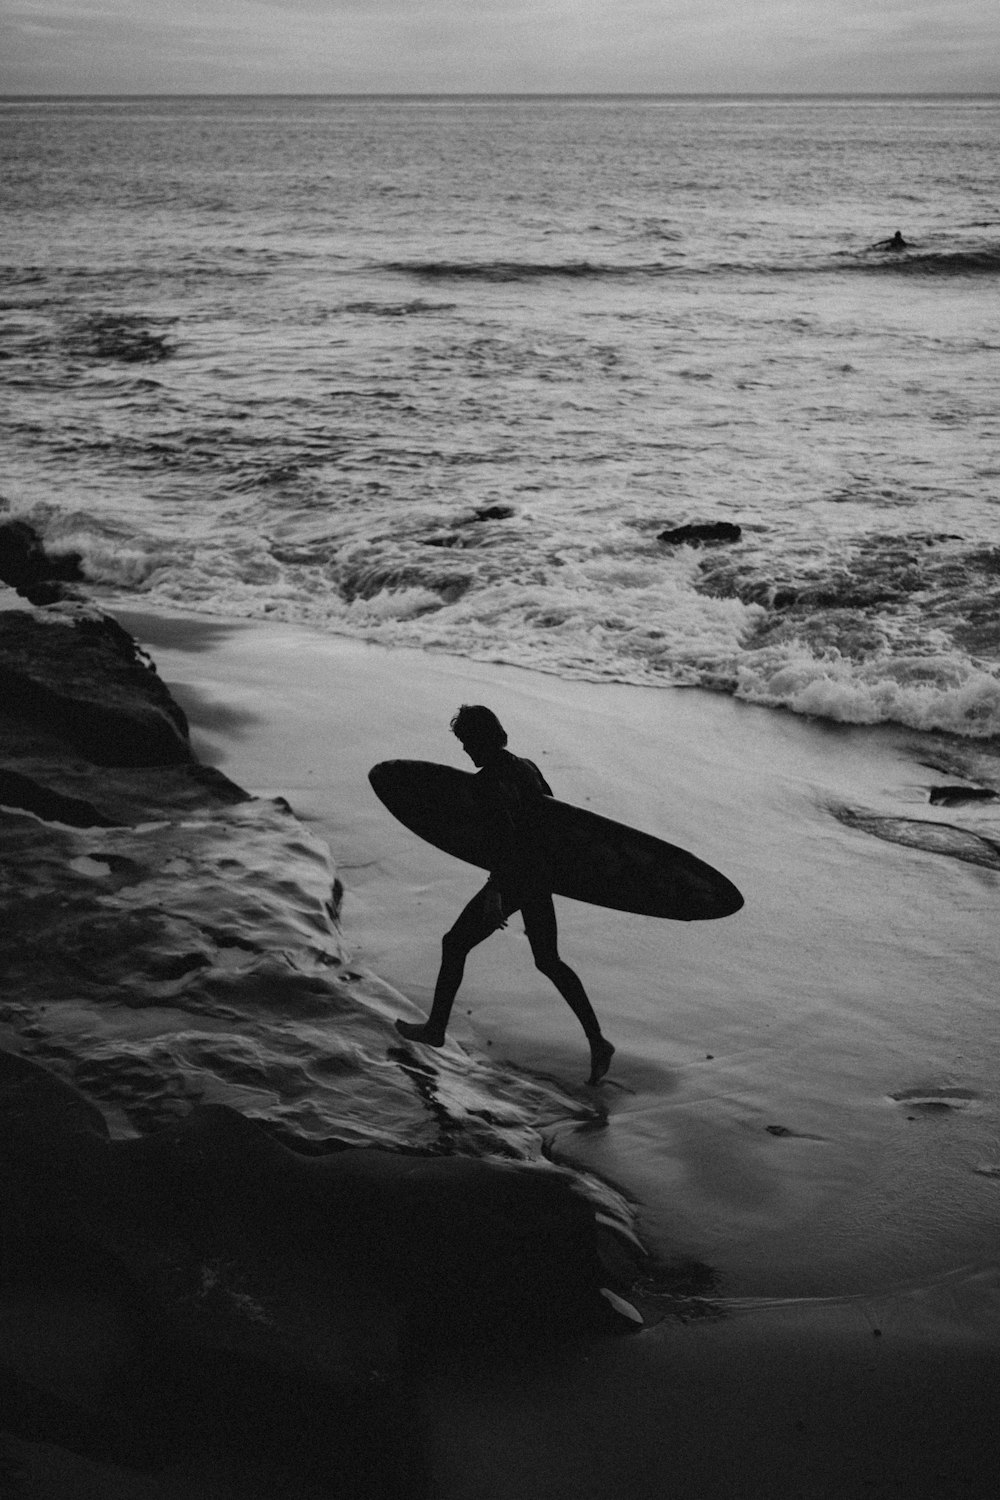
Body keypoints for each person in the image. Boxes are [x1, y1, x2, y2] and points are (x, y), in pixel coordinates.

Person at [395, 704, 615, 1085]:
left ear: (481, 737)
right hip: (539, 877)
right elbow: (550, 822)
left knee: (454, 943)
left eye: (466, 741)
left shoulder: (489, 782)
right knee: (548, 960)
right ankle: (597, 1041)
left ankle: (436, 1027)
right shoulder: (527, 766)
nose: (465, 750)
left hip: (515, 879)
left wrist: (497, 891)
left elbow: (508, 840)